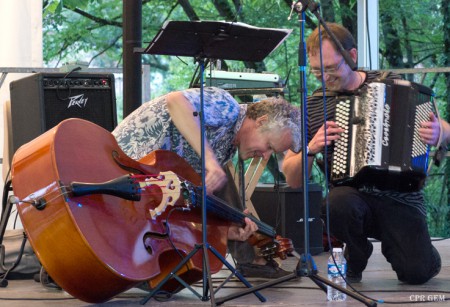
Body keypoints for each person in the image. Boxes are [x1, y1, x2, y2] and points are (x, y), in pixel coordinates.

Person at [281, 22, 442, 285]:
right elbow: (292, 177)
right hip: (352, 198)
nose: (324, 77)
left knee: (417, 273)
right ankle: (356, 252)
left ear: (352, 56)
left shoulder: (392, 84)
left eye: (331, 68)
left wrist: (439, 133)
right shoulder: (312, 105)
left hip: (400, 198)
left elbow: (442, 127)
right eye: (316, 71)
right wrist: (311, 149)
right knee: (335, 203)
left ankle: (419, 251)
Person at [113, 86, 302, 278]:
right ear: (261, 121)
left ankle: (250, 260)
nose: (264, 156)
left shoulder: (227, 147)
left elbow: (182, 205)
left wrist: (223, 230)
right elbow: (176, 100)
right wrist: (210, 161)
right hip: (120, 172)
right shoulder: (228, 107)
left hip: (145, 193)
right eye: (269, 146)